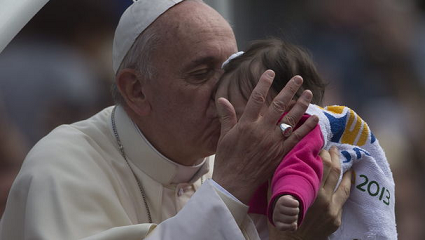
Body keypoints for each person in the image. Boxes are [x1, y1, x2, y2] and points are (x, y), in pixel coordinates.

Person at [0, 1, 352, 239]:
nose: (225, 95)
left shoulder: (232, 157)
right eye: (201, 74)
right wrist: (230, 191)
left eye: (231, 69)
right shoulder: (60, 168)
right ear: (137, 90)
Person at [216, 38, 397, 239]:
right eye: (222, 118)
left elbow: (299, 167)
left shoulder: (301, 133)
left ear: (289, 111)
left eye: (243, 117)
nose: (230, 131)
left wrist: (290, 196)